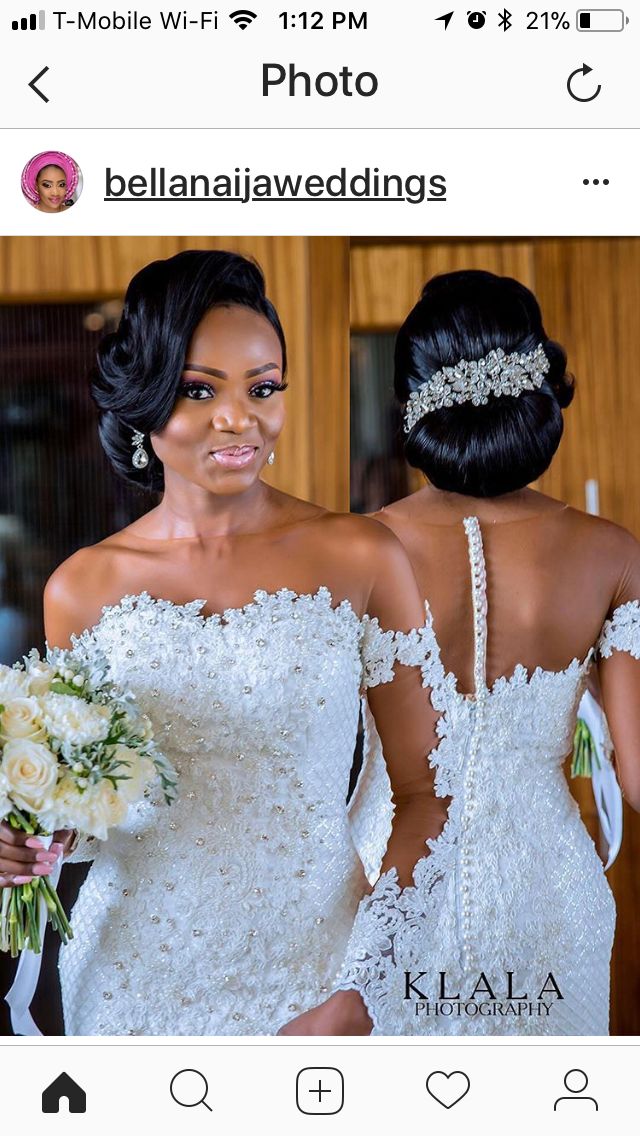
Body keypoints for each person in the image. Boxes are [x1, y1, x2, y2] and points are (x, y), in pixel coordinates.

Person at [0, 250, 445, 1036]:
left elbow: (428, 793)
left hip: (319, 969)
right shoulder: (82, 587)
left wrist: (364, 985)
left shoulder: (362, 557)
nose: (240, 418)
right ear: (144, 402)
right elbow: (86, 812)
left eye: (263, 387)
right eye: (200, 390)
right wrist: (28, 839)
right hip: (132, 975)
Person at [359, 269, 640, 1035]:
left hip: (390, 879)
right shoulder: (611, 553)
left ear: (411, 402)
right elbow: (639, 775)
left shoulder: (358, 549)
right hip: (549, 891)